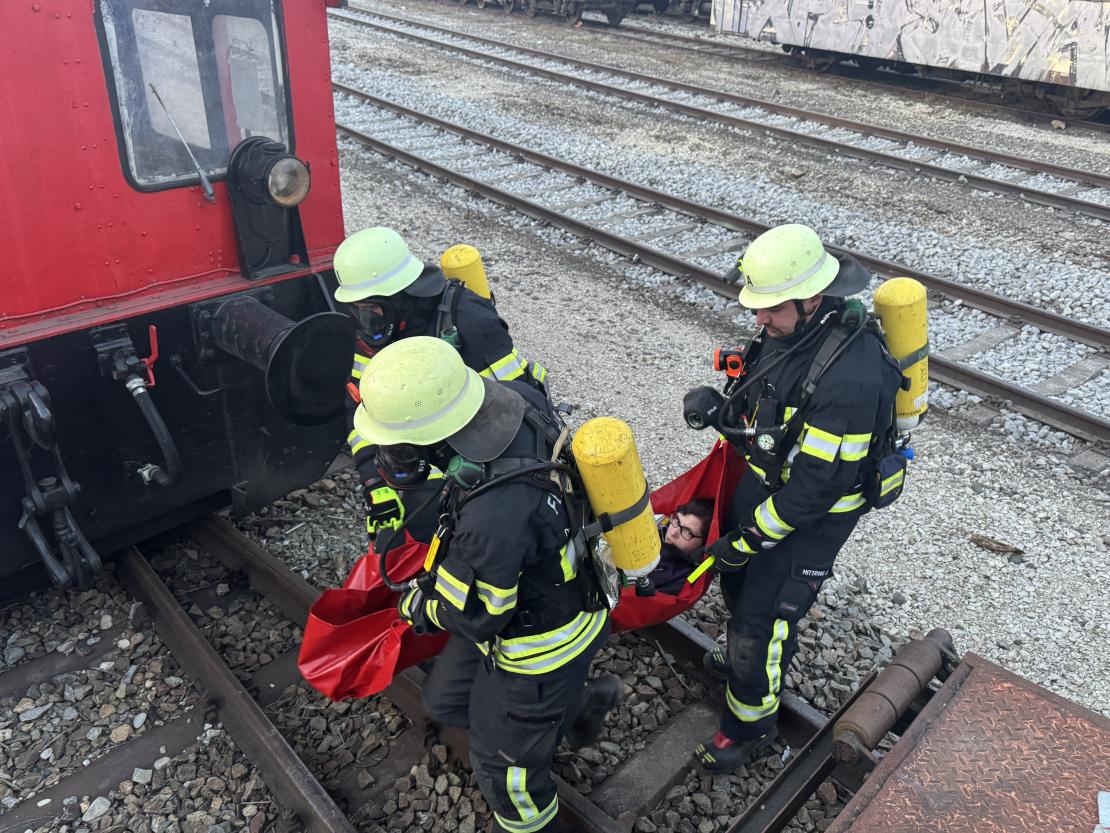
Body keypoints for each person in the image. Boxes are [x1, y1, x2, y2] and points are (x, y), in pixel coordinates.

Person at [353, 336, 620, 833]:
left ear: (432, 434)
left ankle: (528, 823)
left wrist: (418, 607)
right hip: (567, 590)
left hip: (540, 646)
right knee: (446, 702)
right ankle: (577, 707)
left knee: (503, 767)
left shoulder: (491, 517)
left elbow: (477, 615)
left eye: (399, 445)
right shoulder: (517, 400)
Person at [693, 224, 903, 773]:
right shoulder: (791, 333)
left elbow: (815, 490)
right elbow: (767, 400)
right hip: (771, 486)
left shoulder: (852, 377)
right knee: (738, 584)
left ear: (813, 298)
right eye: (757, 307)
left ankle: (750, 727)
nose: (759, 319)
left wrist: (748, 539)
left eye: (772, 308)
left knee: (760, 620)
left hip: (812, 516)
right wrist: (720, 408)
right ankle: (742, 658)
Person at [333, 226, 545, 541]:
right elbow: (361, 408)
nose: (365, 320)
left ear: (398, 294)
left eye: (371, 307)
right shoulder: (375, 334)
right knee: (412, 527)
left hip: (481, 452)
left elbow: (518, 410)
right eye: (357, 309)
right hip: (421, 455)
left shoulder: (469, 319)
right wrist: (374, 482)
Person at [646, 499, 713, 594]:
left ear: (703, 543)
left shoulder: (683, 580)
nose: (673, 533)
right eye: (677, 521)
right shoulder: (653, 529)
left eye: (687, 531)